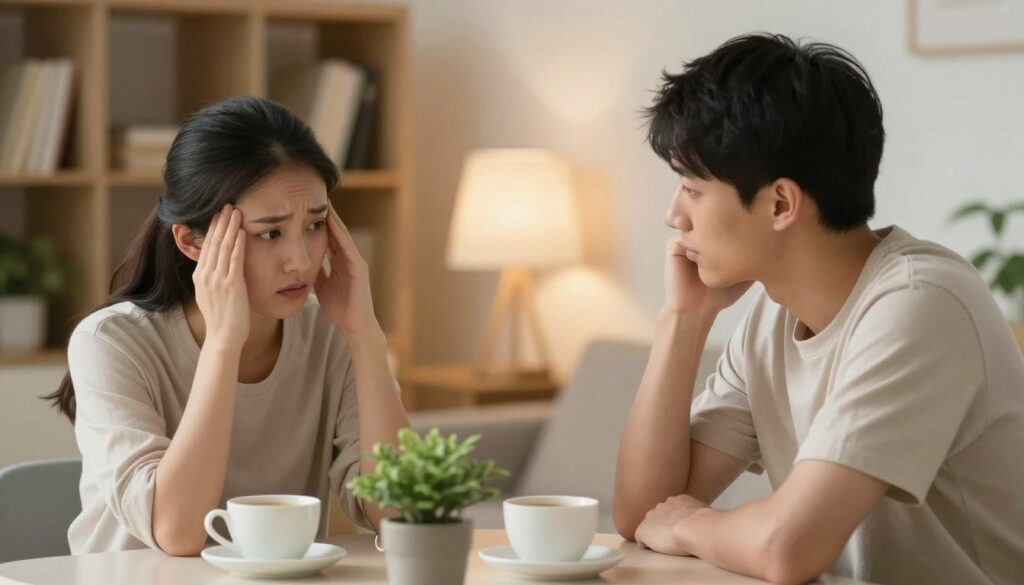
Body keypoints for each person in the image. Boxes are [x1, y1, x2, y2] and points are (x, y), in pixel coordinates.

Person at [613, 33, 1024, 585]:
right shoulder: (771, 318)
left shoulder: (921, 303)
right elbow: (643, 513)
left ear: (780, 202)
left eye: (692, 189)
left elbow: (788, 548)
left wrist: (694, 524)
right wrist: (683, 321)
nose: (673, 215)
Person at [46, 96, 409, 556]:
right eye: (270, 233)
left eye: (315, 225)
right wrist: (223, 343)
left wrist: (365, 335)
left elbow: (404, 515)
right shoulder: (111, 342)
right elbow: (177, 533)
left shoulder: (332, 335)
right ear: (192, 241)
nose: (300, 260)